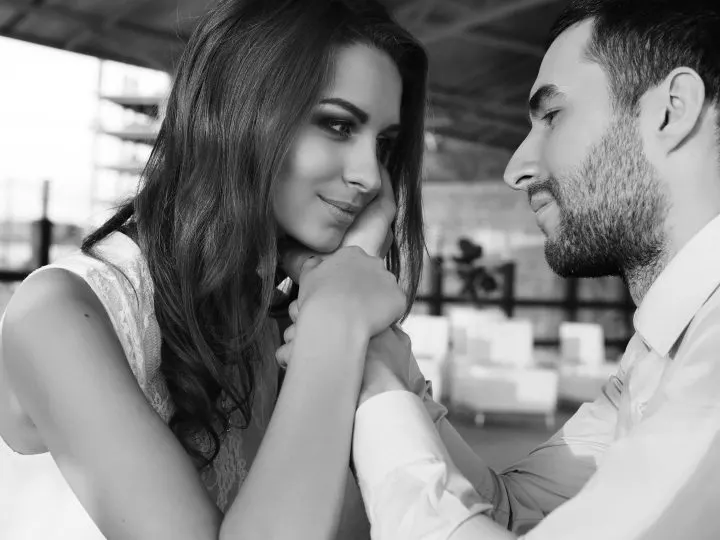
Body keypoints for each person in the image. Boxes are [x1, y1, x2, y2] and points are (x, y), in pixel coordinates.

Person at [283, 0, 720, 538]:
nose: (516, 169)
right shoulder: (657, 353)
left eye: (552, 116)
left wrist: (356, 355)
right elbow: (512, 511)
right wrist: (372, 340)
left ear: (673, 110)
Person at [0, 0, 429, 538]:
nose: (371, 175)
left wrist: (341, 292)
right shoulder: (63, 314)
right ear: (240, 115)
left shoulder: (280, 308)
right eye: (338, 125)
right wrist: (337, 316)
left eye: (384, 144)